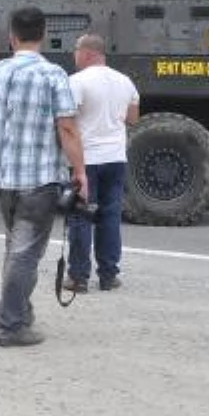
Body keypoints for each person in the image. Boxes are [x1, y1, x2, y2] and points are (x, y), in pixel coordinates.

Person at [0, 6, 88, 348]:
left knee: (15, 248)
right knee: (25, 253)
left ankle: (21, 312)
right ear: (42, 35)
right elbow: (68, 128)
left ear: (11, 36)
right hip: (39, 180)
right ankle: (11, 326)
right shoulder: (53, 75)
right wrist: (81, 172)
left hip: (3, 181)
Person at [66, 33, 140, 293]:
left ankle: (78, 277)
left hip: (87, 160)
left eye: (76, 50)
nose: (73, 55)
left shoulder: (76, 82)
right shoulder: (126, 82)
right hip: (116, 158)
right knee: (110, 216)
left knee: (81, 216)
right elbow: (132, 118)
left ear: (87, 53)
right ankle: (108, 276)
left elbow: (67, 122)